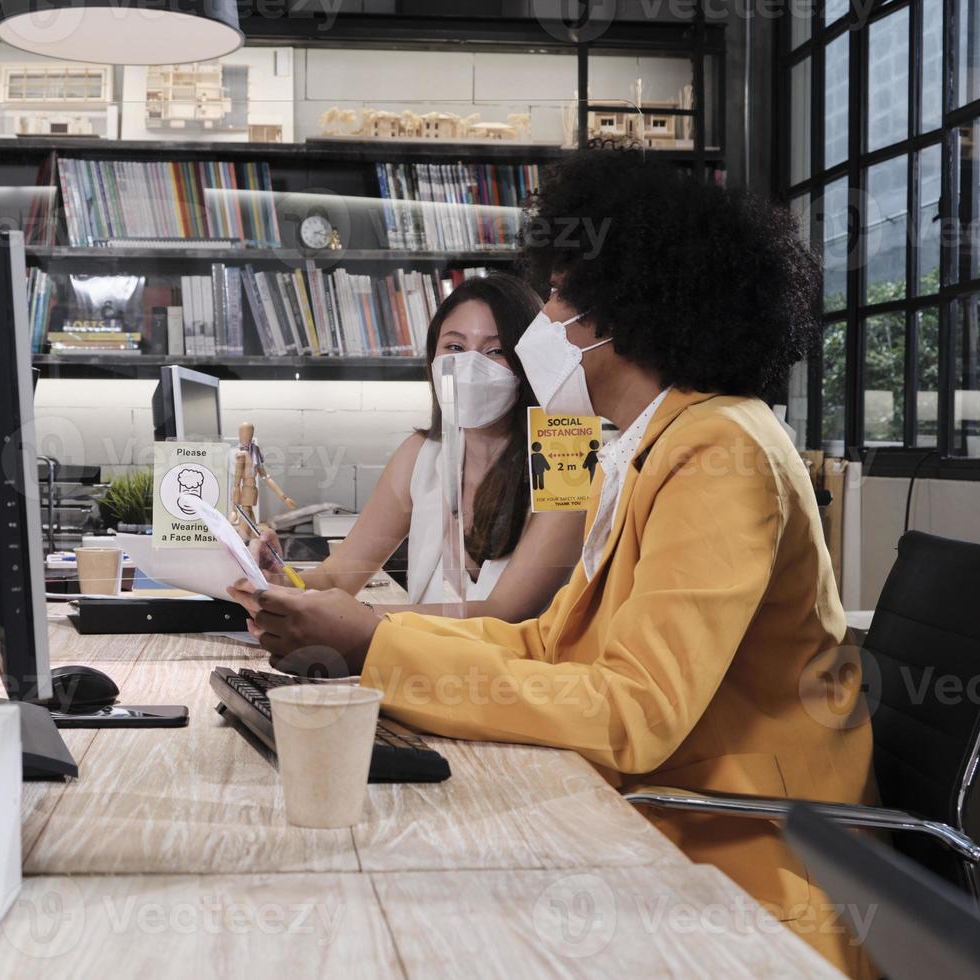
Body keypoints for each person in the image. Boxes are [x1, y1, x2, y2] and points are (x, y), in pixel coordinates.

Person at [231, 152, 875, 977]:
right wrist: (369, 639)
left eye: (563, 297)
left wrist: (374, 646)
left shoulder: (723, 451)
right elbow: (548, 641)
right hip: (655, 812)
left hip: (741, 852)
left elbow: (636, 711)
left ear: (632, 309)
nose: (549, 319)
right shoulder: (648, 447)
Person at [254, 273, 585, 621]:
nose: (469, 365)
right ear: (433, 356)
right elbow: (337, 577)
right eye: (455, 347)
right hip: (422, 667)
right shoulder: (420, 455)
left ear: (528, 360)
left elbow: (505, 613)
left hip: (517, 673)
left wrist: (355, 619)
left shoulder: (567, 459)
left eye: (496, 350)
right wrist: (280, 582)